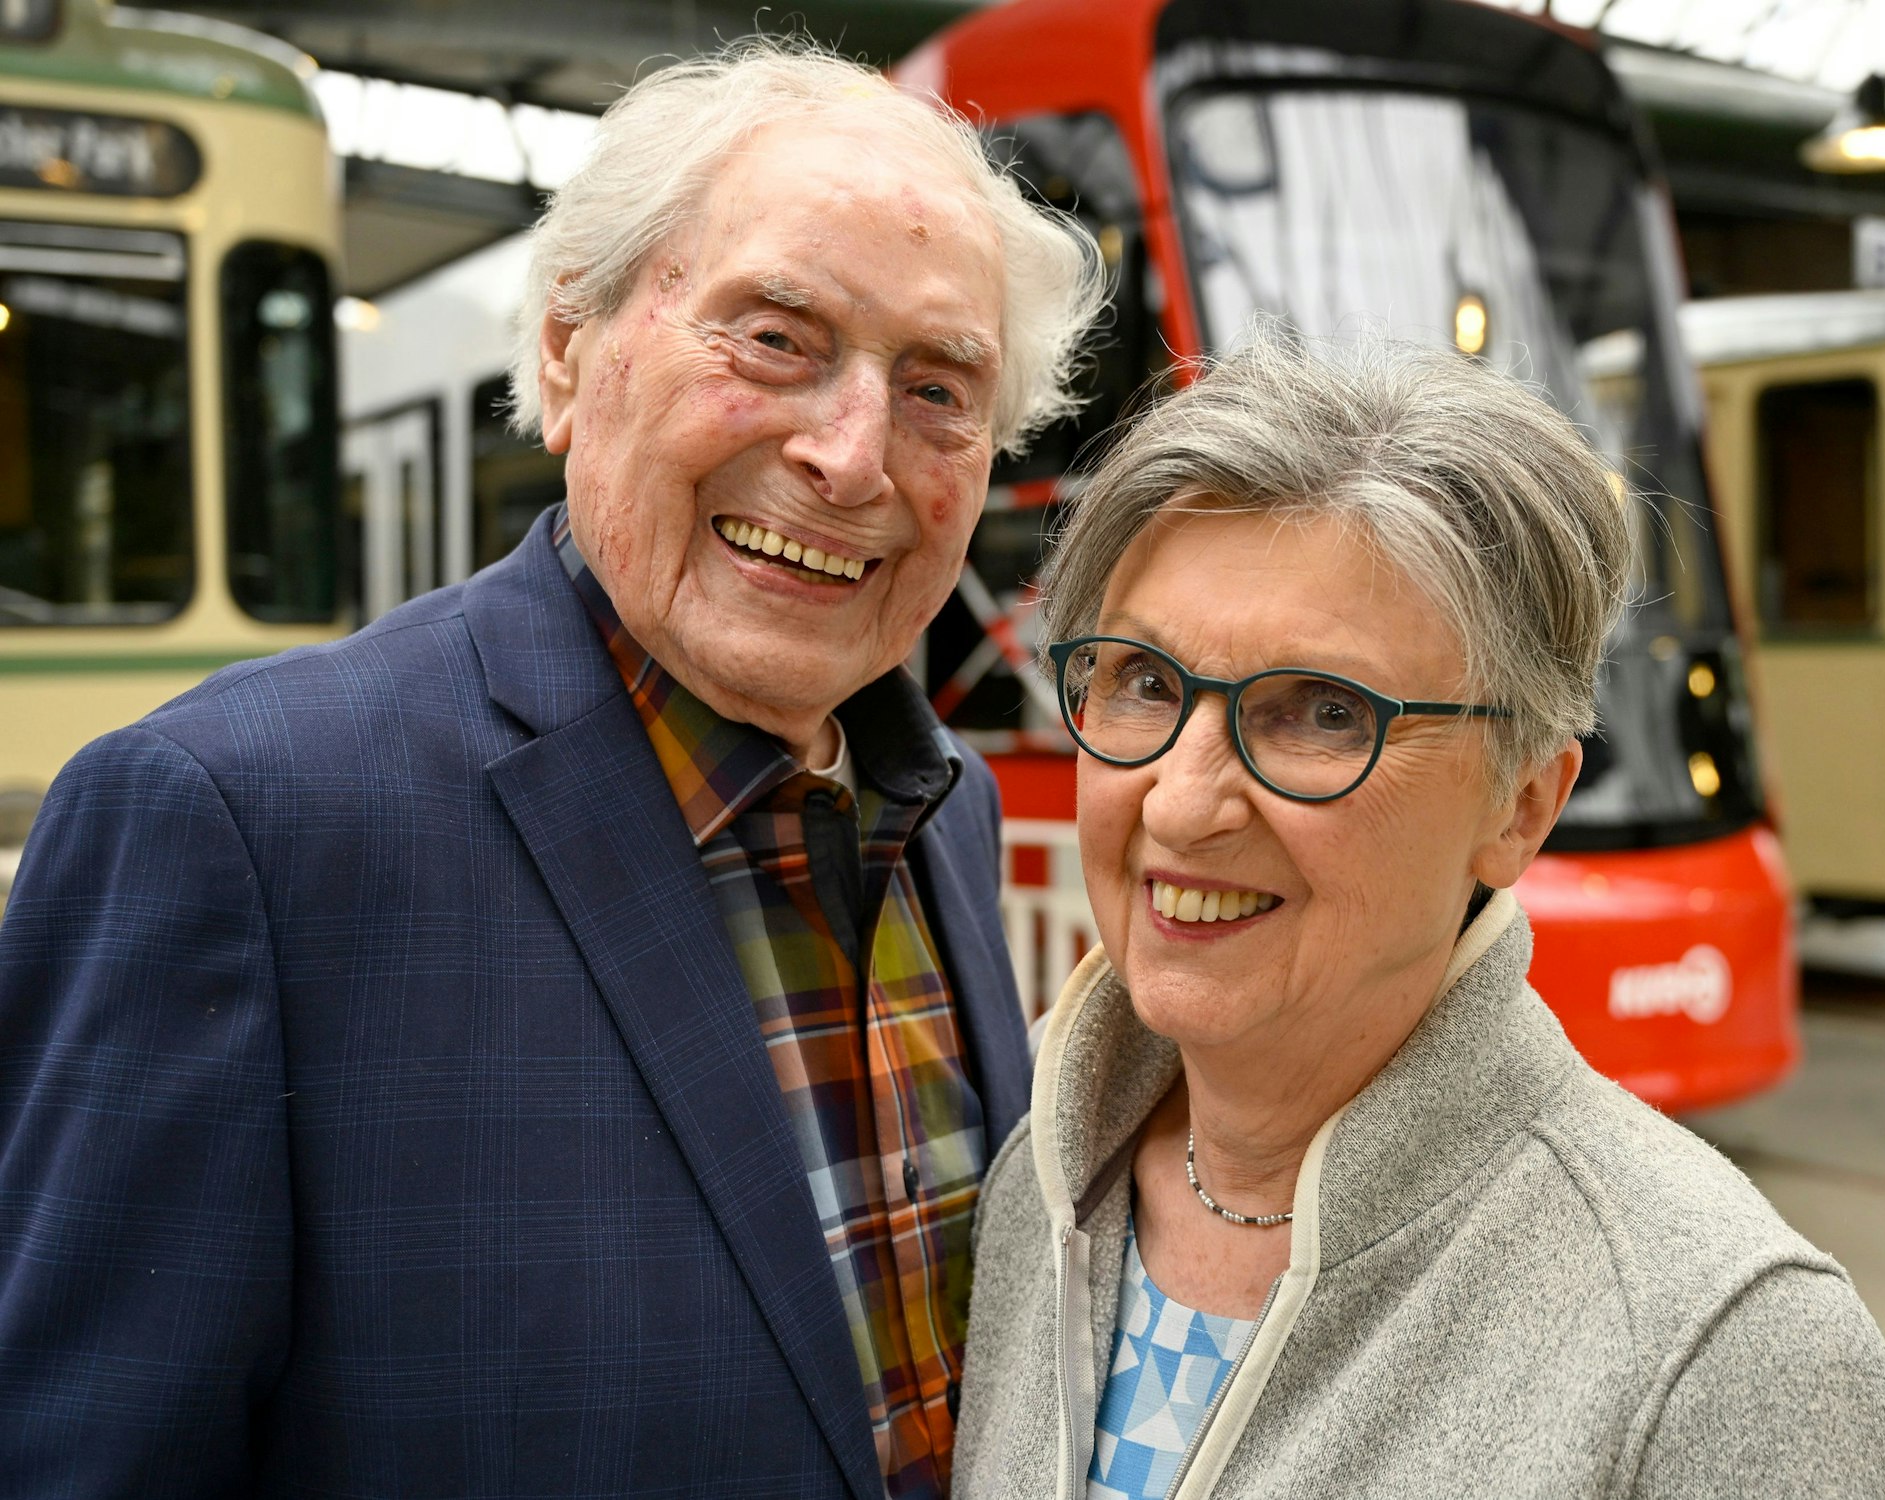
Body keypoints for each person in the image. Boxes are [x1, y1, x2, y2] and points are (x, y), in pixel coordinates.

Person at [0, 43, 1104, 1499]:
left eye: (939, 389)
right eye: (776, 337)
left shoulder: (945, 810)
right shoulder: (235, 828)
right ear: (570, 352)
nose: (853, 456)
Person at [953, 333, 1885, 1500]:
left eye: (1317, 712)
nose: (1183, 799)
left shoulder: (1719, 1347)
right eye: (1144, 683)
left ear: (1521, 805)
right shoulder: (1038, 1192)